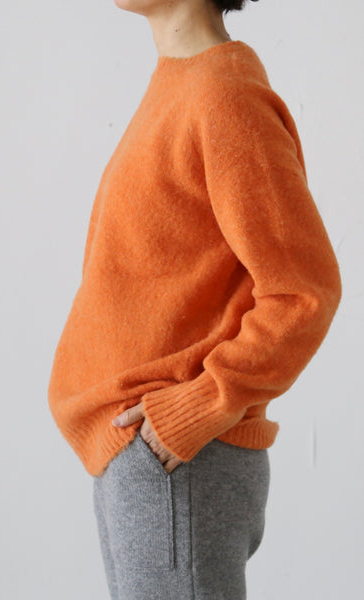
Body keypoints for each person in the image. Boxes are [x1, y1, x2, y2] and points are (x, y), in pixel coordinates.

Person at [47, 1, 342, 598]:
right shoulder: (180, 84)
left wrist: (199, 407)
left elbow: (303, 291)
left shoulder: (224, 97)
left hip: (178, 457)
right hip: (141, 454)